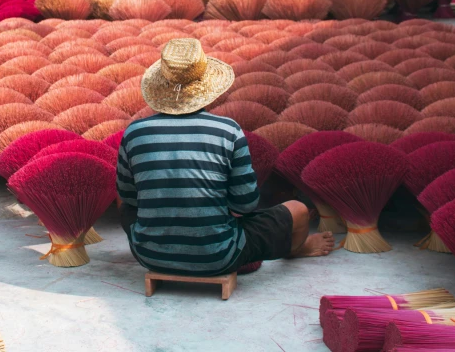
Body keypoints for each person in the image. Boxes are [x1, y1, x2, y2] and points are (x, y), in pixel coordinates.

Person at [116, 38, 335, 276]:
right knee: (298, 209)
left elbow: (129, 197)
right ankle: (294, 249)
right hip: (219, 257)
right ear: (207, 86)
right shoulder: (228, 131)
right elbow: (245, 205)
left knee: (122, 201)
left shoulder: (134, 132)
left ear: (161, 85)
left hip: (150, 257)